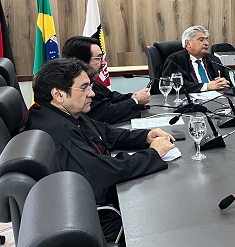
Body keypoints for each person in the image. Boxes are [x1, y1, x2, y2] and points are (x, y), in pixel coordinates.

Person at [23, 58, 175, 243]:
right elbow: (100, 174)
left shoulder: (63, 113)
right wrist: (152, 154)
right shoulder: (58, 133)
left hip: (103, 200)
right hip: (101, 218)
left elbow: (104, 132)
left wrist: (145, 136)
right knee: (169, 211)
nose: (92, 93)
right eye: (84, 88)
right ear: (58, 94)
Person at [62, 36, 150, 123]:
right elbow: (105, 114)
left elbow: (111, 97)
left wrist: (134, 96)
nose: (103, 63)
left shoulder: (92, 82)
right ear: (81, 61)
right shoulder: (72, 86)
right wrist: (135, 100)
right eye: (98, 58)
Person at [161, 25, 231, 93]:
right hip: (189, 99)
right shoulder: (174, 60)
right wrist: (207, 86)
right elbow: (175, 85)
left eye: (206, 39)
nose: (206, 43)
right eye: (201, 40)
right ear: (188, 43)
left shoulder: (214, 60)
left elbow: (229, 85)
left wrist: (224, 83)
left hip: (217, 98)